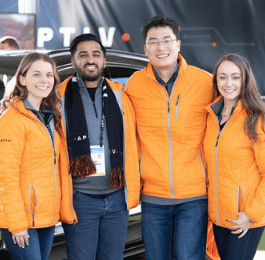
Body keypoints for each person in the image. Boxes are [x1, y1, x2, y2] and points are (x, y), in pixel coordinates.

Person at [124, 15, 213, 260]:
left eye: (166, 40)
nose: (161, 47)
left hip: (194, 195)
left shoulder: (205, 82)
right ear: (145, 49)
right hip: (153, 196)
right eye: (153, 42)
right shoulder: (134, 86)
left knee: (187, 257)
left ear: (178, 45)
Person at [60, 33, 140, 260]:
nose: (90, 59)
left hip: (117, 199)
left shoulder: (122, 95)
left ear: (104, 61)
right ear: (73, 61)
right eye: (82, 55)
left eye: (96, 54)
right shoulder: (59, 96)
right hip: (79, 199)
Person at [0, 52, 77, 260]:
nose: (44, 81)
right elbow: (6, 177)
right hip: (21, 220)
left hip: (45, 217)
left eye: (49, 75)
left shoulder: (49, 116)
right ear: (22, 79)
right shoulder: (12, 120)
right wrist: (17, 224)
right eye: (36, 75)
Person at [203, 53, 265, 260]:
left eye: (235, 77)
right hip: (219, 218)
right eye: (222, 77)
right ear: (216, 80)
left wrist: (250, 215)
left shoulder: (256, 118)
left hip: (244, 218)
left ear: (245, 80)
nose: (228, 83)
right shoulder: (211, 117)